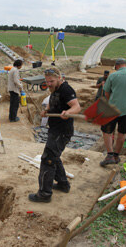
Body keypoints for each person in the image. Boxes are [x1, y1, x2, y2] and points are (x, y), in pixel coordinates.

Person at [28, 67, 81, 203]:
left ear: (59, 78)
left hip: (62, 132)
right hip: (55, 129)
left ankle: (44, 194)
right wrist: (46, 110)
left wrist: (68, 112)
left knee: (48, 160)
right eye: (47, 81)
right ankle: (63, 184)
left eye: (51, 81)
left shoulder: (66, 90)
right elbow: (54, 104)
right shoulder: (55, 90)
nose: (49, 84)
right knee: (54, 157)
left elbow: (76, 107)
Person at [100, 58, 126, 166]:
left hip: (113, 108)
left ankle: (109, 155)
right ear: (125, 65)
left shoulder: (112, 76)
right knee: (122, 133)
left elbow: (106, 92)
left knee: (107, 131)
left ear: (116, 66)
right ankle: (116, 156)